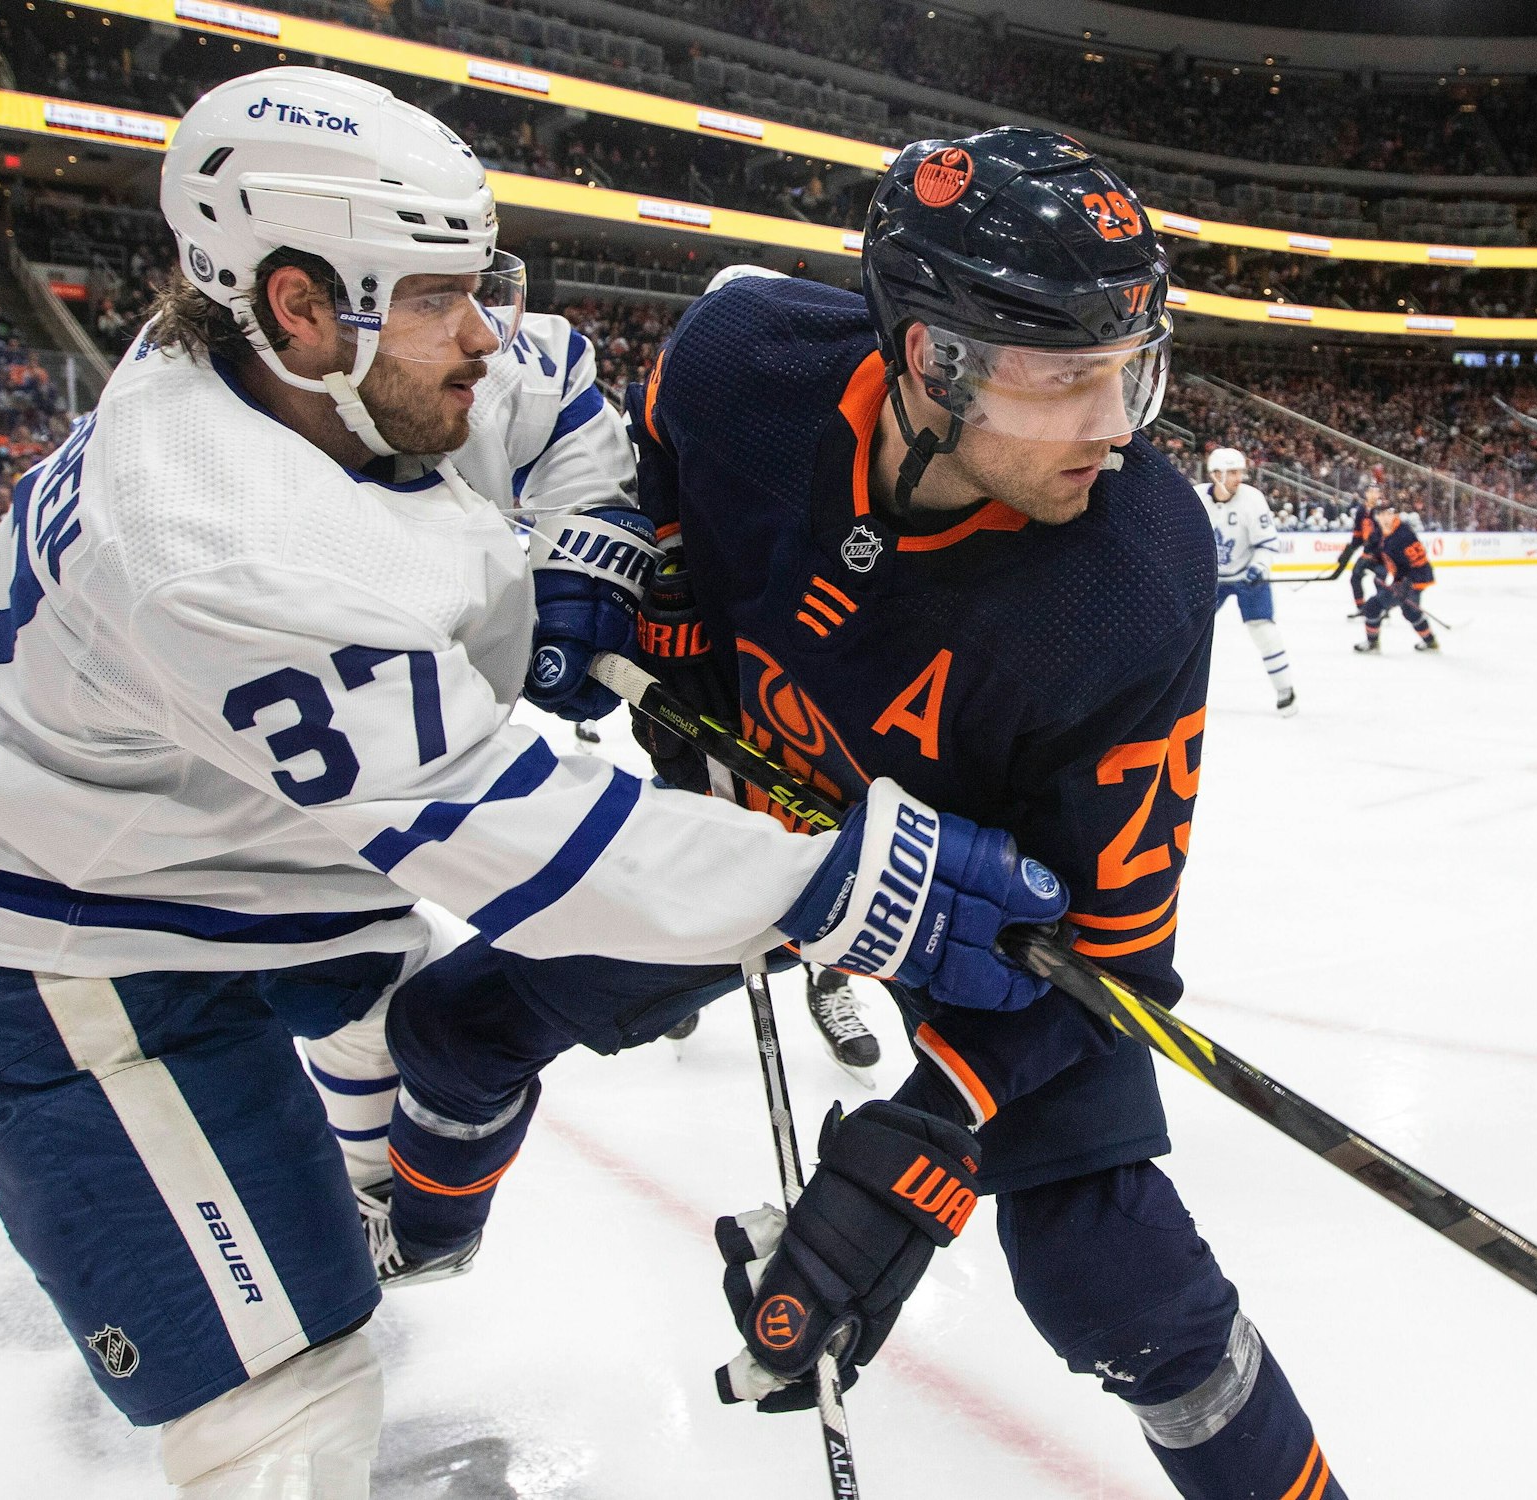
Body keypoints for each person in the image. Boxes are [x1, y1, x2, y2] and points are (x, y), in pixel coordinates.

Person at [0, 68, 1053, 1500]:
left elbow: (562, 397)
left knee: (398, 1033)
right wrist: (845, 888)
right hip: (64, 943)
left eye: (475, 281)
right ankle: (287, 1286)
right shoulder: (214, 537)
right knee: (284, 1397)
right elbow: (522, 843)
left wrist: (588, 549)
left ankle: (374, 1215)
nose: (481, 331)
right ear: (301, 304)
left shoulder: (339, 377)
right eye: (437, 297)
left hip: (255, 870)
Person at [624, 131, 1347, 1500]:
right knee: (486, 1002)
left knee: (1110, 1271)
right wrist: (653, 570)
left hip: (985, 912)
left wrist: (929, 1136)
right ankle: (400, 1218)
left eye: (1133, 369)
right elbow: (664, 447)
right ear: (933, 360)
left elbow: (1109, 960)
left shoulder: (1133, 570)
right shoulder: (742, 357)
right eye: (1071, 379)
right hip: (760, 817)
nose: (1122, 423)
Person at [1196, 446, 1296, 715]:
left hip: (1247, 575)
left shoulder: (1252, 499)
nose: (1240, 478)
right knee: (1188, 633)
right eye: (1234, 472)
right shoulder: (1196, 498)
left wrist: (1259, 568)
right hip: (1210, 579)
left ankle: (1285, 690)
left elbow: (1266, 543)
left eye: (1240, 471)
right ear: (1217, 474)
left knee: (1263, 630)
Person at [1354, 499, 1439, 653]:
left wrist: (1407, 584)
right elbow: (1375, 550)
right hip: (1402, 578)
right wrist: (1368, 560)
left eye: (1390, 513)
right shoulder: (1380, 532)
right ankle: (1430, 641)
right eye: (1383, 514)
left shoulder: (1403, 535)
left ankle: (1372, 643)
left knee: (1373, 606)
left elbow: (1419, 562)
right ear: (1376, 517)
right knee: (1410, 611)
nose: (1387, 517)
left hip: (1415, 578)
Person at [1330, 481, 1387, 606]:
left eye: (1376, 492)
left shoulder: (1383, 510)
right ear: (1366, 493)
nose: (1373, 494)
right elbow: (1358, 534)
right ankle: (1361, 606)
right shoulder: (1361, 510)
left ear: (1379, 495)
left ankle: (1381, 607)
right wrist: (1348, 551)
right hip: (1367, 553)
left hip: (1382, 553)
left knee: (1379, 580)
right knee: (1355, 577)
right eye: (1370, 491)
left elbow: (1386, 533)